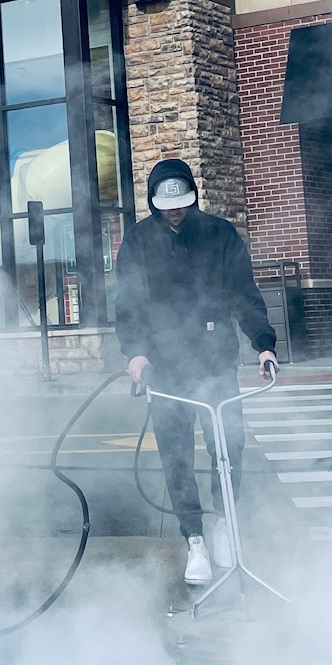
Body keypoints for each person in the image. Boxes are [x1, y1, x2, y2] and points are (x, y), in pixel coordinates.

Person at [114, 158, 279, 587]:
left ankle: (224, 521)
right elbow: (128, 304)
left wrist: (263, 345)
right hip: (165, 368)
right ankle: (195, 539)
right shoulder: (138, 241)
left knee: (228, 447)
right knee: (177, 456)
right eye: (167, 207)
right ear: (153, 202)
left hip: (215, 362)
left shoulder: (220, 235)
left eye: (182, 205)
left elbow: (244, 294)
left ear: (193, 197)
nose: (175, 212)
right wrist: (134, 354)